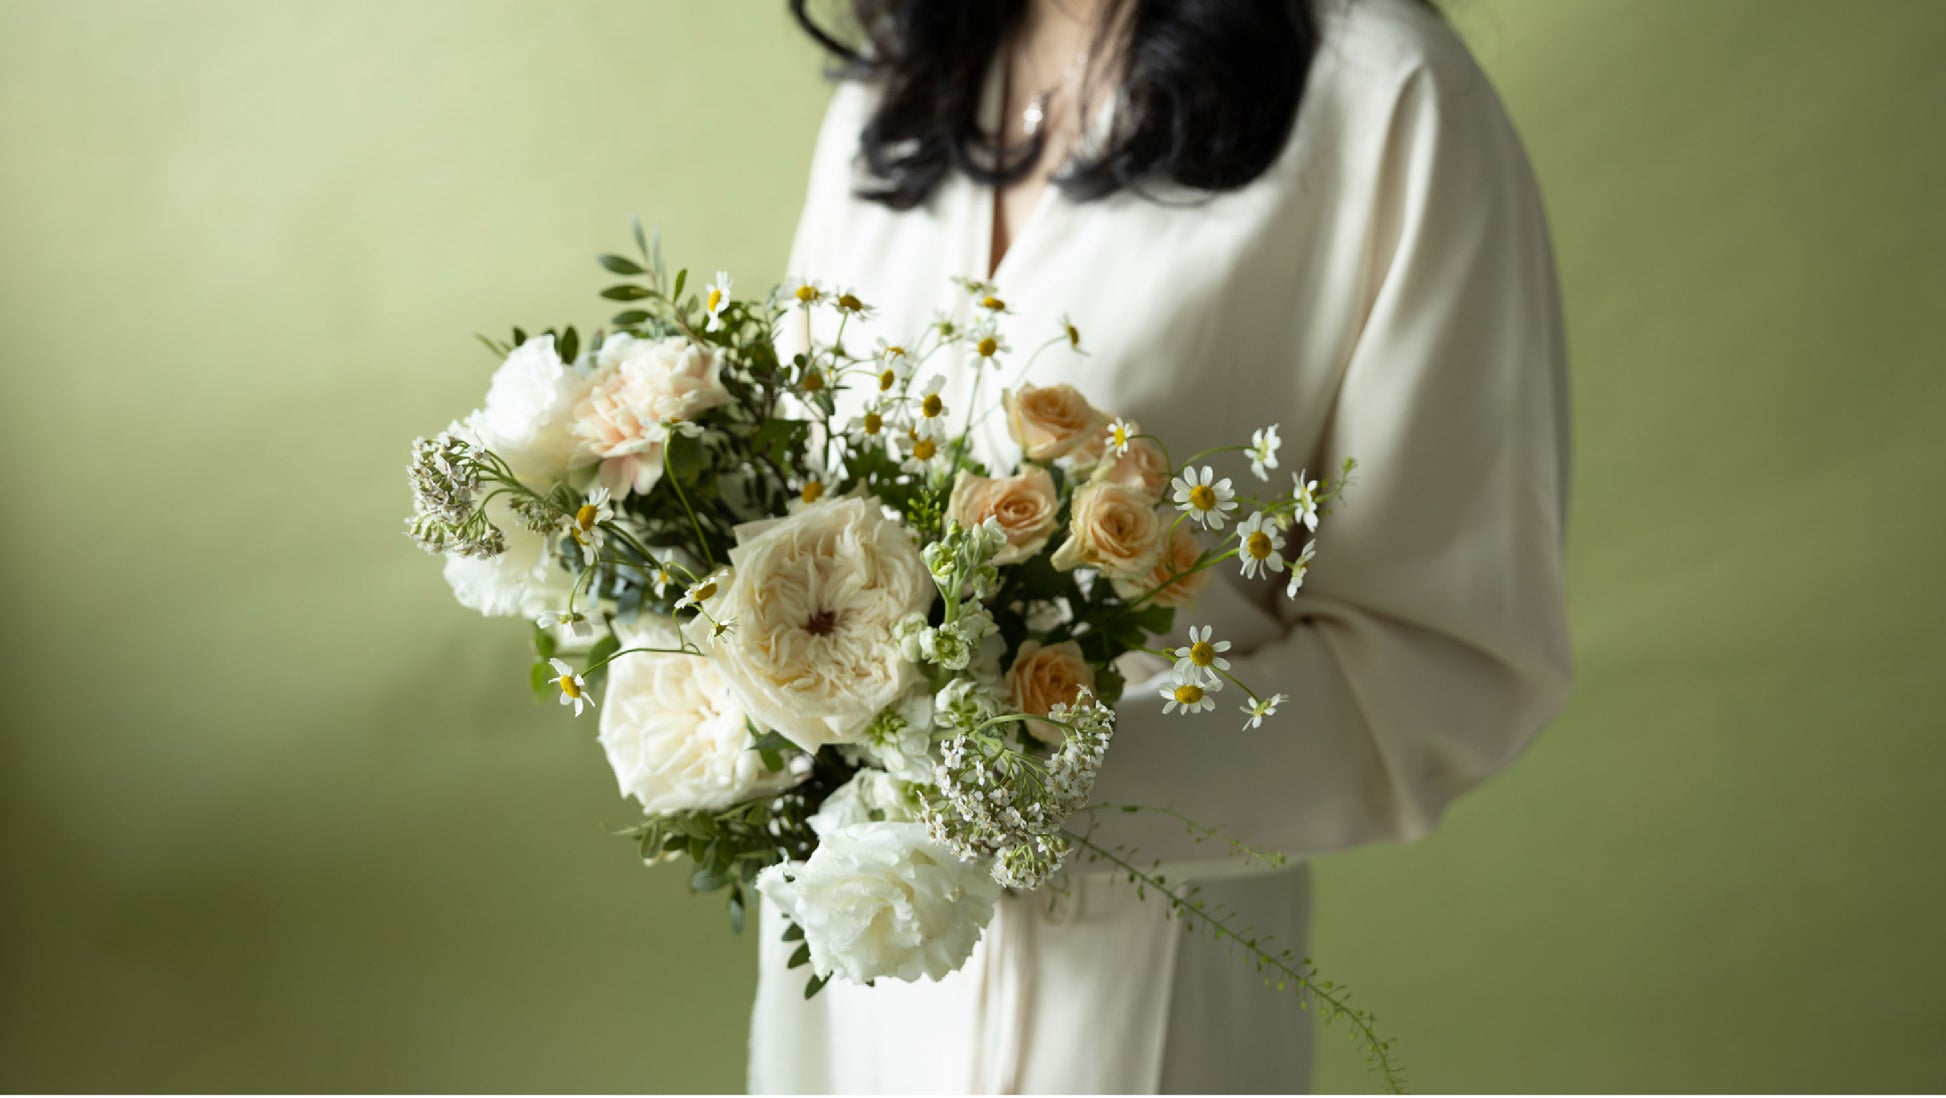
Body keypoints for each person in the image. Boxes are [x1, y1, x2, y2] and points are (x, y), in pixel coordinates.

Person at [751, 0, 1573, 1090]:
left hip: (1143, 993)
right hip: (845, 979)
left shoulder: (1385, 99)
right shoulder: (895, 80)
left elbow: (1445, 662)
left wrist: (1045, 785)